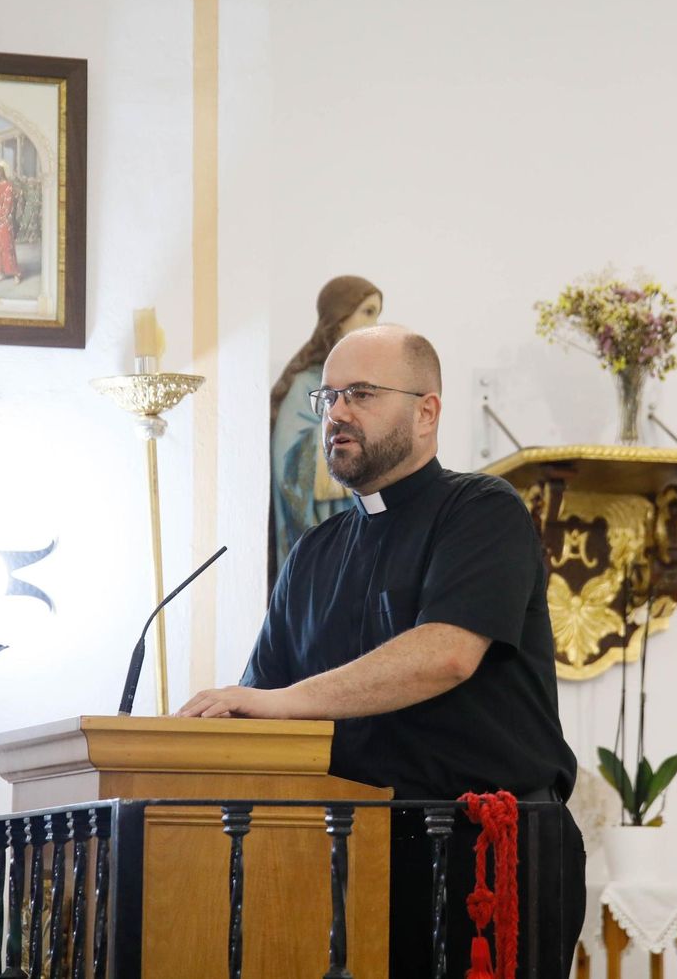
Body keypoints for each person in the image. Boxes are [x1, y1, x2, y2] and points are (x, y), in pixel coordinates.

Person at [181, 325, 585, 978]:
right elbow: (261, 715)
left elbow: (447, 654)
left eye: (361, 394)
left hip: (486, 848)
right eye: (328, 397)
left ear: (426, 412)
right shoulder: (312, 553)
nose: (336, 413)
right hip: (347, 853)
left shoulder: (482, 510)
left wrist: (279, 702)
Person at [268, 277, 383, 587]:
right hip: (318, 525)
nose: (375, 323)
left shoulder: (365, 381)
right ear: (340, 318)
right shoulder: (306, 384)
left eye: (377, 314)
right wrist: (356, 452)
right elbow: (288, 461)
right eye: (368, 312)